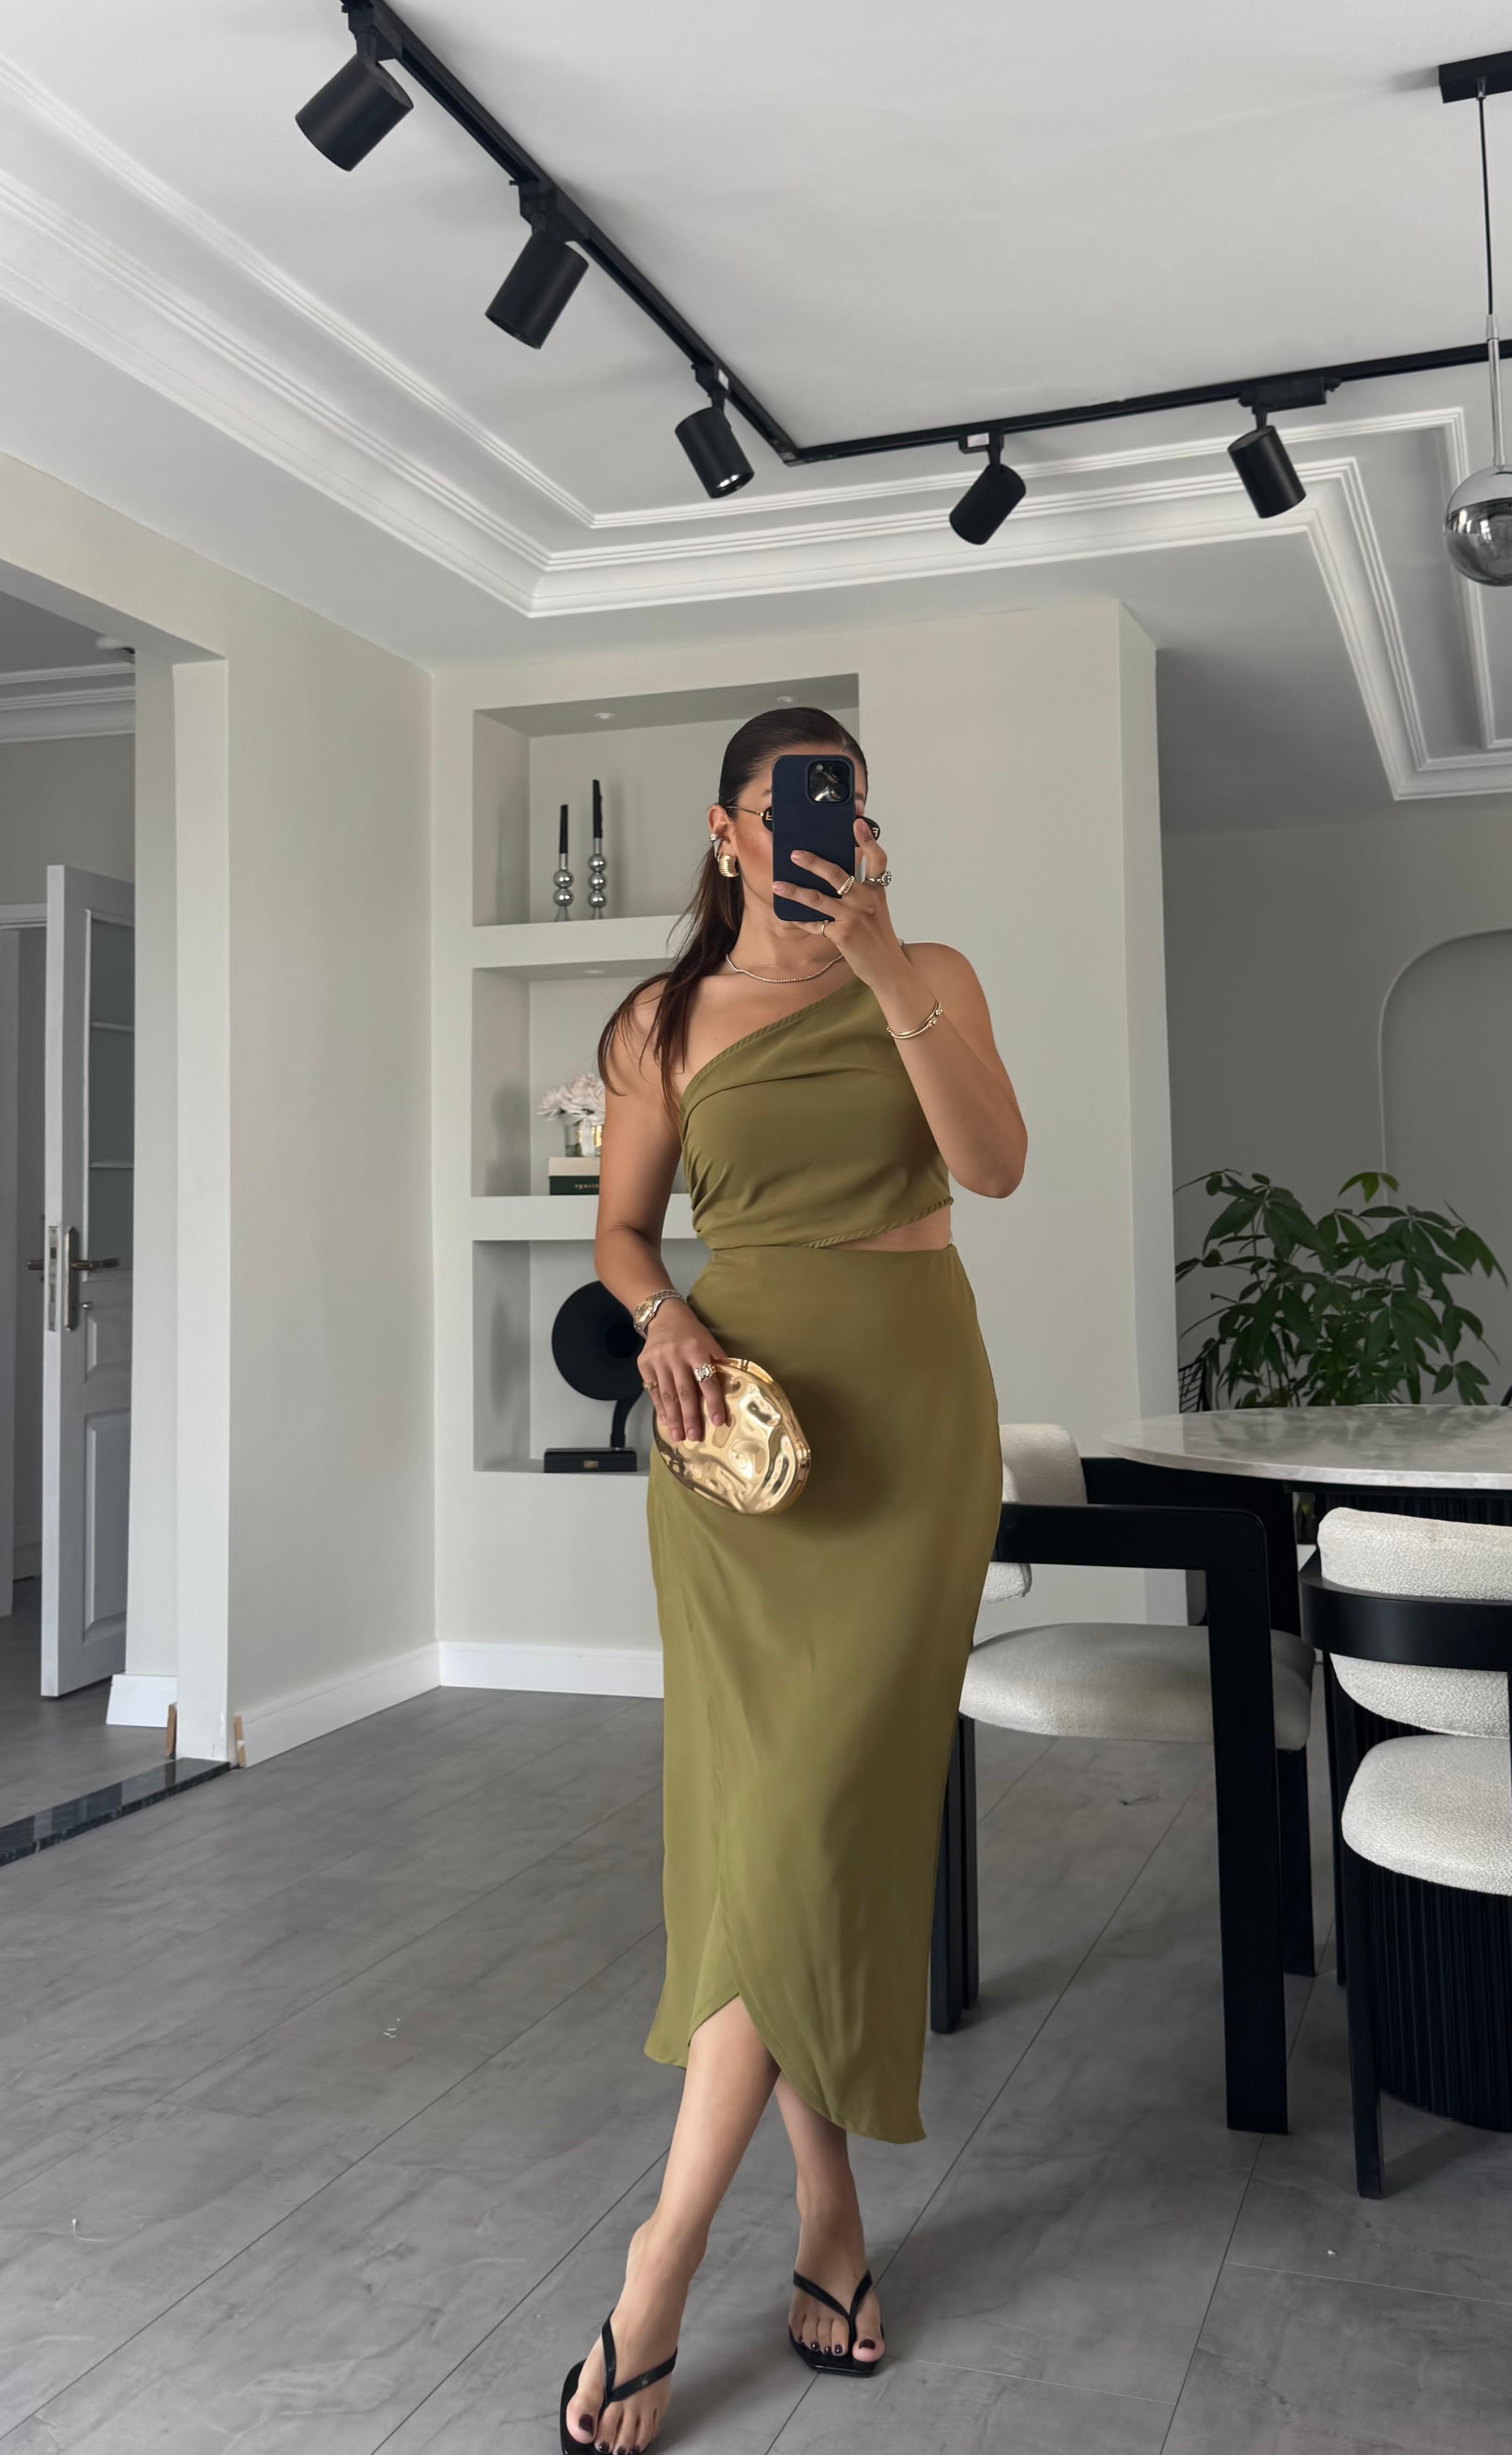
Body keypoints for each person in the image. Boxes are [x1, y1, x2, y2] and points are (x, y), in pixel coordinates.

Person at [565, 708, 1024, 2453]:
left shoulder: (931, 971)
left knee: (817, 1822)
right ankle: (825, 2216)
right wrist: (662, 1315)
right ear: (728, 830)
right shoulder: (661, 1020)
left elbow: (993, 1165)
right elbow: (621, 1232)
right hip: (738, 1436)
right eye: (793, 800)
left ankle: (660, 2259)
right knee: (766, 1835)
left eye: (849, 799)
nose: (828, 821)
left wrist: (883, 958)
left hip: (910, 1422)